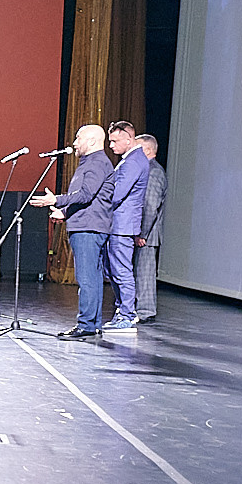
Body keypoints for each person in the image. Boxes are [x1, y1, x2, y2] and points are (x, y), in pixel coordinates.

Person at [30, 123, 114, 339]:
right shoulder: (92, 162)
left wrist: (56, 200)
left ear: (92, 141)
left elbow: (86, 195)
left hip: (88, 228)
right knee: (92, 278)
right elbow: (88, 198)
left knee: (86, 279)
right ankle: (92, 324)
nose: (74, 143)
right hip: (89, 225)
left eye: (78, 138)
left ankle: (86, 325)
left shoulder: (96, 163)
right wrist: (65, 212)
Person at [99, 119, 152, 333]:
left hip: (123, 225)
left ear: (129, 139)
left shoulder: (133, 161)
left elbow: (117, 194)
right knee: (114, 270)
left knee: (121, 270)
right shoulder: (130, 160)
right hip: (118, 224)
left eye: (114, 141)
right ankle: (123, 311)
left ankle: (128, 315)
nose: (111, 145)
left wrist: (96, 203)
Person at [135, 133, 165, 322]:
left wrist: (142, 233)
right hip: (142, 233)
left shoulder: (153, 172)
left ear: (147, 150)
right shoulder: (146, 169)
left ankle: (145, 312)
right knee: (139, 272)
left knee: (144, 273)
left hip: (147, 234)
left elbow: (150, 205)